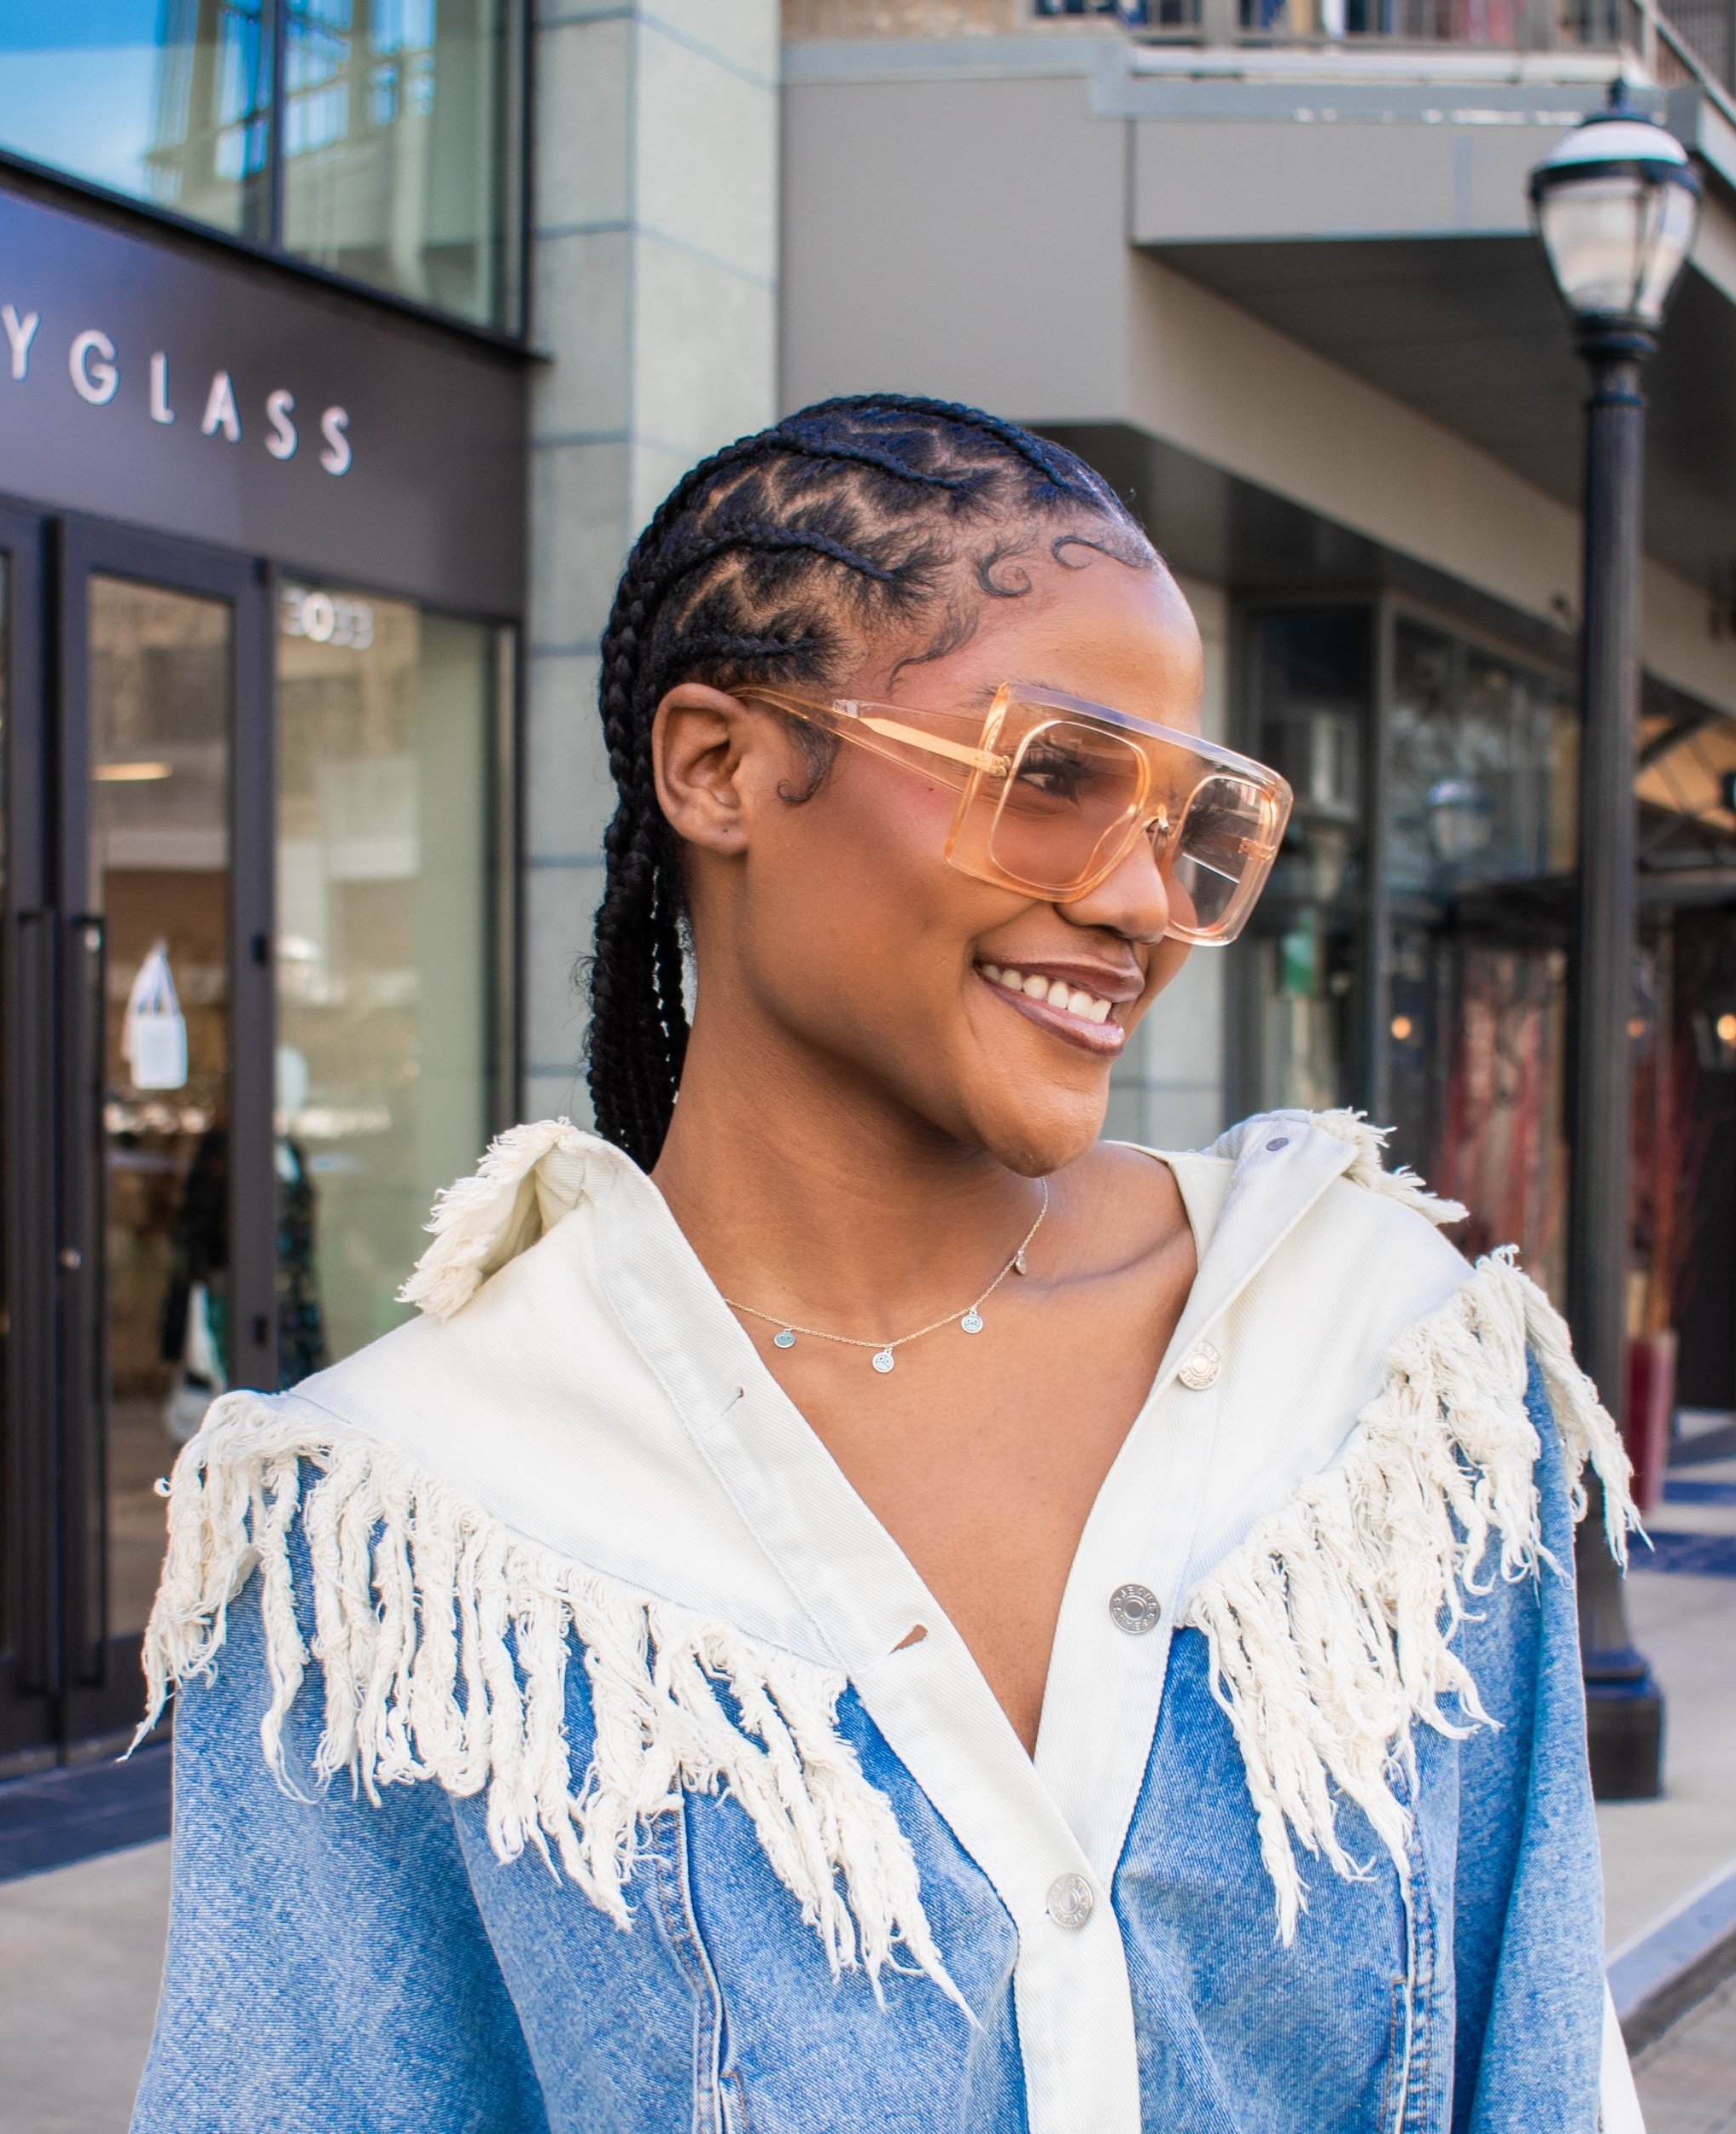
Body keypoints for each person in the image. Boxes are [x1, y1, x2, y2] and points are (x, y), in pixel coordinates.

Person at [131, 396, 1642, 2133]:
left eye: (1191, 822)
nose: (1144, 896)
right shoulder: (403, 1535)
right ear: (719, 766)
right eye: (1055, 779)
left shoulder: (1378, 1386)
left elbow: (1533, 2071)